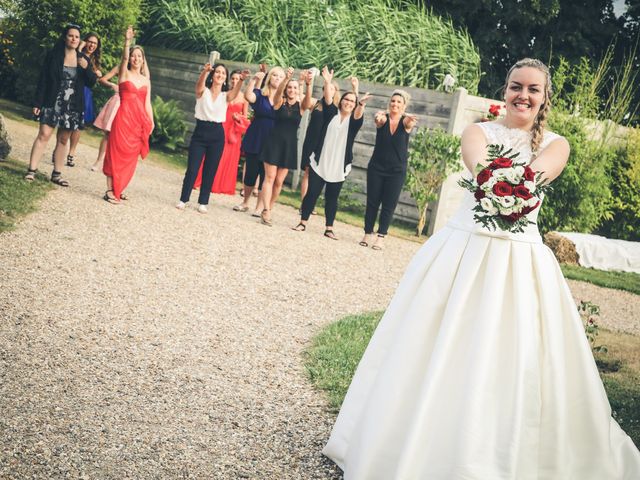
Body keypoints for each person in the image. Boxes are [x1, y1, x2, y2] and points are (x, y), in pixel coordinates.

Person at [322, 58, 640, 479]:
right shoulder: (477, 131)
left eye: (532, 89)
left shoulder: (557, 143)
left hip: (521, 259)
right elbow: (481, 169)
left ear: (545, 98)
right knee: (434, 343)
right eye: (515, 86)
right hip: (463, 251)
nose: (522, 95)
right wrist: (500, 182)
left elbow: (533, 178)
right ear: (504, 90)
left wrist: (513, 184)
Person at [292, 67, 371, 239]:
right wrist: (328, 81)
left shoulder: (354, 121)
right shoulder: (331, 114)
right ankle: (303, 222)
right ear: (341, 101)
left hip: (339, 164)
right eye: (346, 100)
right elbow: (328, 99)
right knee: (312, 192)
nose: (348, 103)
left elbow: (358, 112)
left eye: (352, 101)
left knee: (332, 197)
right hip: (321, 160)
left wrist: (360, 101)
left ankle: (329, 227)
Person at [25, 23, 97, 186]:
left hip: (72, 106)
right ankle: (31, 171)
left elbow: (92, 82)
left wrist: (86, 68)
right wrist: (38, 102)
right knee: (43, 134)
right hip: (52, 101)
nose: (74, 39)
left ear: (80, 40)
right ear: (65, 38)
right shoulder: (54, 55)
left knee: (63, 139)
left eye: (77, 37)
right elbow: (43, 79)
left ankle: (57, 174)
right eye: (71, 36)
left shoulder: (83, 59)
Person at [176, 63, 248, 212]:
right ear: (212, 74)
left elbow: (234, 94)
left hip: (217, 134)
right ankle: (184, 199)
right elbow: (198, 86)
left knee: (210, 169)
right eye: (217, 72)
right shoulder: (203, 92)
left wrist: (241, 80)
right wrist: (204, 72)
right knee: (192, 169)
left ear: (225, 78)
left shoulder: (225, 96)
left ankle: (203, 202)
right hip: (200, 132)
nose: (220, 75)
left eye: (223, 73)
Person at [360, 90, 418, 250]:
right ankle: (367, 233)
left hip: (396, 170)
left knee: (388, 204)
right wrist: (378, 119)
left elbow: (408, 123)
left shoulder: (406, 121)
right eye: (393, 101)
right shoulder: (383, 118)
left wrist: (409, 120)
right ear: (389, 103)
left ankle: (381, 237)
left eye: (399, 102)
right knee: (372, 202)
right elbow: (378, 121)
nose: (395, 104)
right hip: (376, 168)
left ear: (404, 105)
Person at [102, 26, 153, 203]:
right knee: (116, 153)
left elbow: (147, 102)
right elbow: (124, 58)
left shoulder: (146, 80)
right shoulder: (124, 74)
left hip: (138, 122)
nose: (135, 58)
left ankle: (119, 186)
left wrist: (151, 121)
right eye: (133, 55)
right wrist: (127, 42)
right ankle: (110, 190)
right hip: (123, 118)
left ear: (143, 59)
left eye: (139, 56)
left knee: (130, 156)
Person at [257, 67, 312, 226]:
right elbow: (279, 93)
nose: (292, 90)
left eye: (294, 88)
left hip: (289, 145)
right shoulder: (279, 102)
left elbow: (308, 102)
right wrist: (286, 79)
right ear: (286, 88)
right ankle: (266, 210)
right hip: (273, 142)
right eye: (289, 87)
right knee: (270, 177)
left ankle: (269, 207)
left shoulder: (301, 106)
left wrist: (307, 85)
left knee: (279, 181)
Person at [233, 66, 285, 214]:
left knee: (266, 176)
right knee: (251, 172)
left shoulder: (284, 99)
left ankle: (259, 207)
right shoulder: (261, 94)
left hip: (273, 140)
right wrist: (255, 79)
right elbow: (248, 96)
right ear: (270, 77)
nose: (277, 78)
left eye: (280, 76)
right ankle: (245, 202)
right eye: (274, 75)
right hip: (256, 135)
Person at [193, 69, 249, 195]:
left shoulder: (244, 98)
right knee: (216, 156)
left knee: (229, 157)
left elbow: (246, 117)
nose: (234, 81)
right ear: (229, 80)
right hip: (222, 125)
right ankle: (205, 182)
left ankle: (222, 185)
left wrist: (238, 118)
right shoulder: (224, 94)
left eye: (237, 79)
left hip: (234, 130)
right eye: (233, 79)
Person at [299, 72, 342, 207]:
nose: (327, 91)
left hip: (325, 144)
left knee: (317, 175)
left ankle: (311, 204)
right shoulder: (316, 104)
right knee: (307, 172)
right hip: (311, 140)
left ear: (335, 92)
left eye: (331, 89)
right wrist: (304, 83)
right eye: (326, 89)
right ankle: (304, 205)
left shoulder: (337, 109)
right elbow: (302, 100)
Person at [65, 32, 102, 167]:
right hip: (73, 90)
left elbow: (91, 80)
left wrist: (95, 74)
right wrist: (79, 50)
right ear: (85, 41)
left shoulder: (95, 61)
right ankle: (60, 149)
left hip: (85, 93)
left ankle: (71, 153)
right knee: (67, 122)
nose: (92, 45)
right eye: (90, 41)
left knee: (79, 125)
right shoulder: (76, 53)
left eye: (95, 43)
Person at [90, 65, 122, 172]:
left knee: (121, 136)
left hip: (129, 104)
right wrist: (112, 84)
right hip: (117, 102)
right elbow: (102, 79)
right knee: (108, 134)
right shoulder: (120, 67)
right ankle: (99, 161)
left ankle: (114, 164)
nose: (134, 58)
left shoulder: (139, 71)